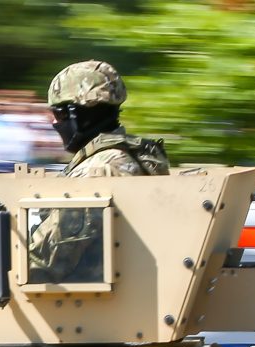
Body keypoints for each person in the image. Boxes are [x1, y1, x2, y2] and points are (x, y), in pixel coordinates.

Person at [28, 60, 171, 283]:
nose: (54, 122)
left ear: (77, 114)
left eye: (58, 113)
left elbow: (45, 260)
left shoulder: (97, 171)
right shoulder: (127, 157)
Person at [48, 60, 170, 178]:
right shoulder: (128, 154)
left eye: (59, 114)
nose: (54, 121)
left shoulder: (99, 169)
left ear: (84, 112)